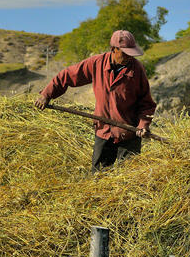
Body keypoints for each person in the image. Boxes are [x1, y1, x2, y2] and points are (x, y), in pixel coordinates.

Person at [34, 29, 157, 171]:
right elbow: (68, 75)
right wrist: (46, 95)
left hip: (129, 134)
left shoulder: (137, 69)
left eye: (131, 53)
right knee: (98, 179)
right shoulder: (97, 63)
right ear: (113, 49)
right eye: (125, 53)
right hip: (103, 131)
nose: (129, 57)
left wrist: (143, 125)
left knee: (131, 180)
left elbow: (146, 103)